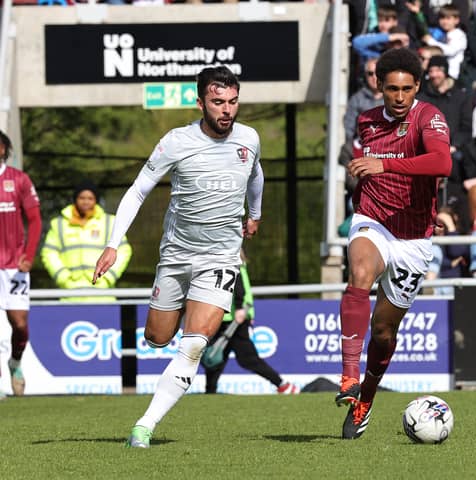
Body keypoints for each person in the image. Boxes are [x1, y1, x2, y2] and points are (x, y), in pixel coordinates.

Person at [92, 66, 264, 448]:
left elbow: (256, 177)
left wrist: (255, 214)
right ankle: (175, 314)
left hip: (220, 257)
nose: (227, 110)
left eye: (233, 102)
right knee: (157, 337)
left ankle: (144, 426)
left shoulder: (249, 139)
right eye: (218, 102)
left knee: (194, 344)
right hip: (176, 255)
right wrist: (113, 243)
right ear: (200, 102)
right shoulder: (176, 141)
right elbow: (138, 191)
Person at [337, 47, 451, 440]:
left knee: (383, 331)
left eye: (406, 89)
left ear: (417, 86)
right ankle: (349, 374)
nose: (399, 97)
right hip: (373, 220)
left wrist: (384, 164)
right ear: (378, 87)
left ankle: (365, 398)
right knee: (360, 272)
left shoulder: (429, 118)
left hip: (414, 238)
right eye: (391, 89)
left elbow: (442, 164)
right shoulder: (366, 122)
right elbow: (358, 164)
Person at [200, 252, 299, 395]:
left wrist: (241, 308)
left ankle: (281, 384)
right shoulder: (235, 259)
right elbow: (241, 286)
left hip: (232, 317)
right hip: (232, 316)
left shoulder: (228, 258)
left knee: (241, 358)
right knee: (216, 357)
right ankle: (210, 392)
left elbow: (238, 286)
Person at [0, 131, 42, 399]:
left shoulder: (19, 179)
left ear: (5, 149)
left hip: (15, 263)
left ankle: (15, 362)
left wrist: (28, 254)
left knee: (19, 323)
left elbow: (35, 220)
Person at [40, 180, 132, 301]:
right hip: (70, 295)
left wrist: (108, 277)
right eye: (82, 197)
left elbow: (124, 251)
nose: (86, 201)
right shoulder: (59, 224)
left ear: (96, 200)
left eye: (90, 198)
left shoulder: (110, 222)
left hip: (102, 295)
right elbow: (49, 253)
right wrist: (64, 278)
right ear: (75, 199)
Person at [421, 4, 467, 80]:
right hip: (437, 74)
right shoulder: (440, 33)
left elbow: (450, 50)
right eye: (442, 18)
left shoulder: (459, 35)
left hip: (452, 75)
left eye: (448, 18)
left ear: (456, 20)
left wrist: (431, 41)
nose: (445, 21)